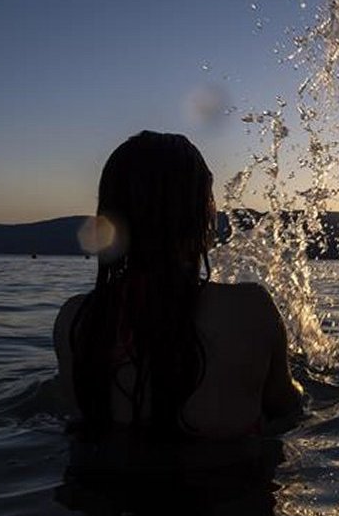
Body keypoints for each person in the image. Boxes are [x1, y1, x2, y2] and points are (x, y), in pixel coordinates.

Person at [53, 131, 303, 439]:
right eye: (209, 197)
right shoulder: (249, 309)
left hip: (97, 483)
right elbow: (287, 407)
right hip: (233, 482)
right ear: (198, 213)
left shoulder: (75, 321)